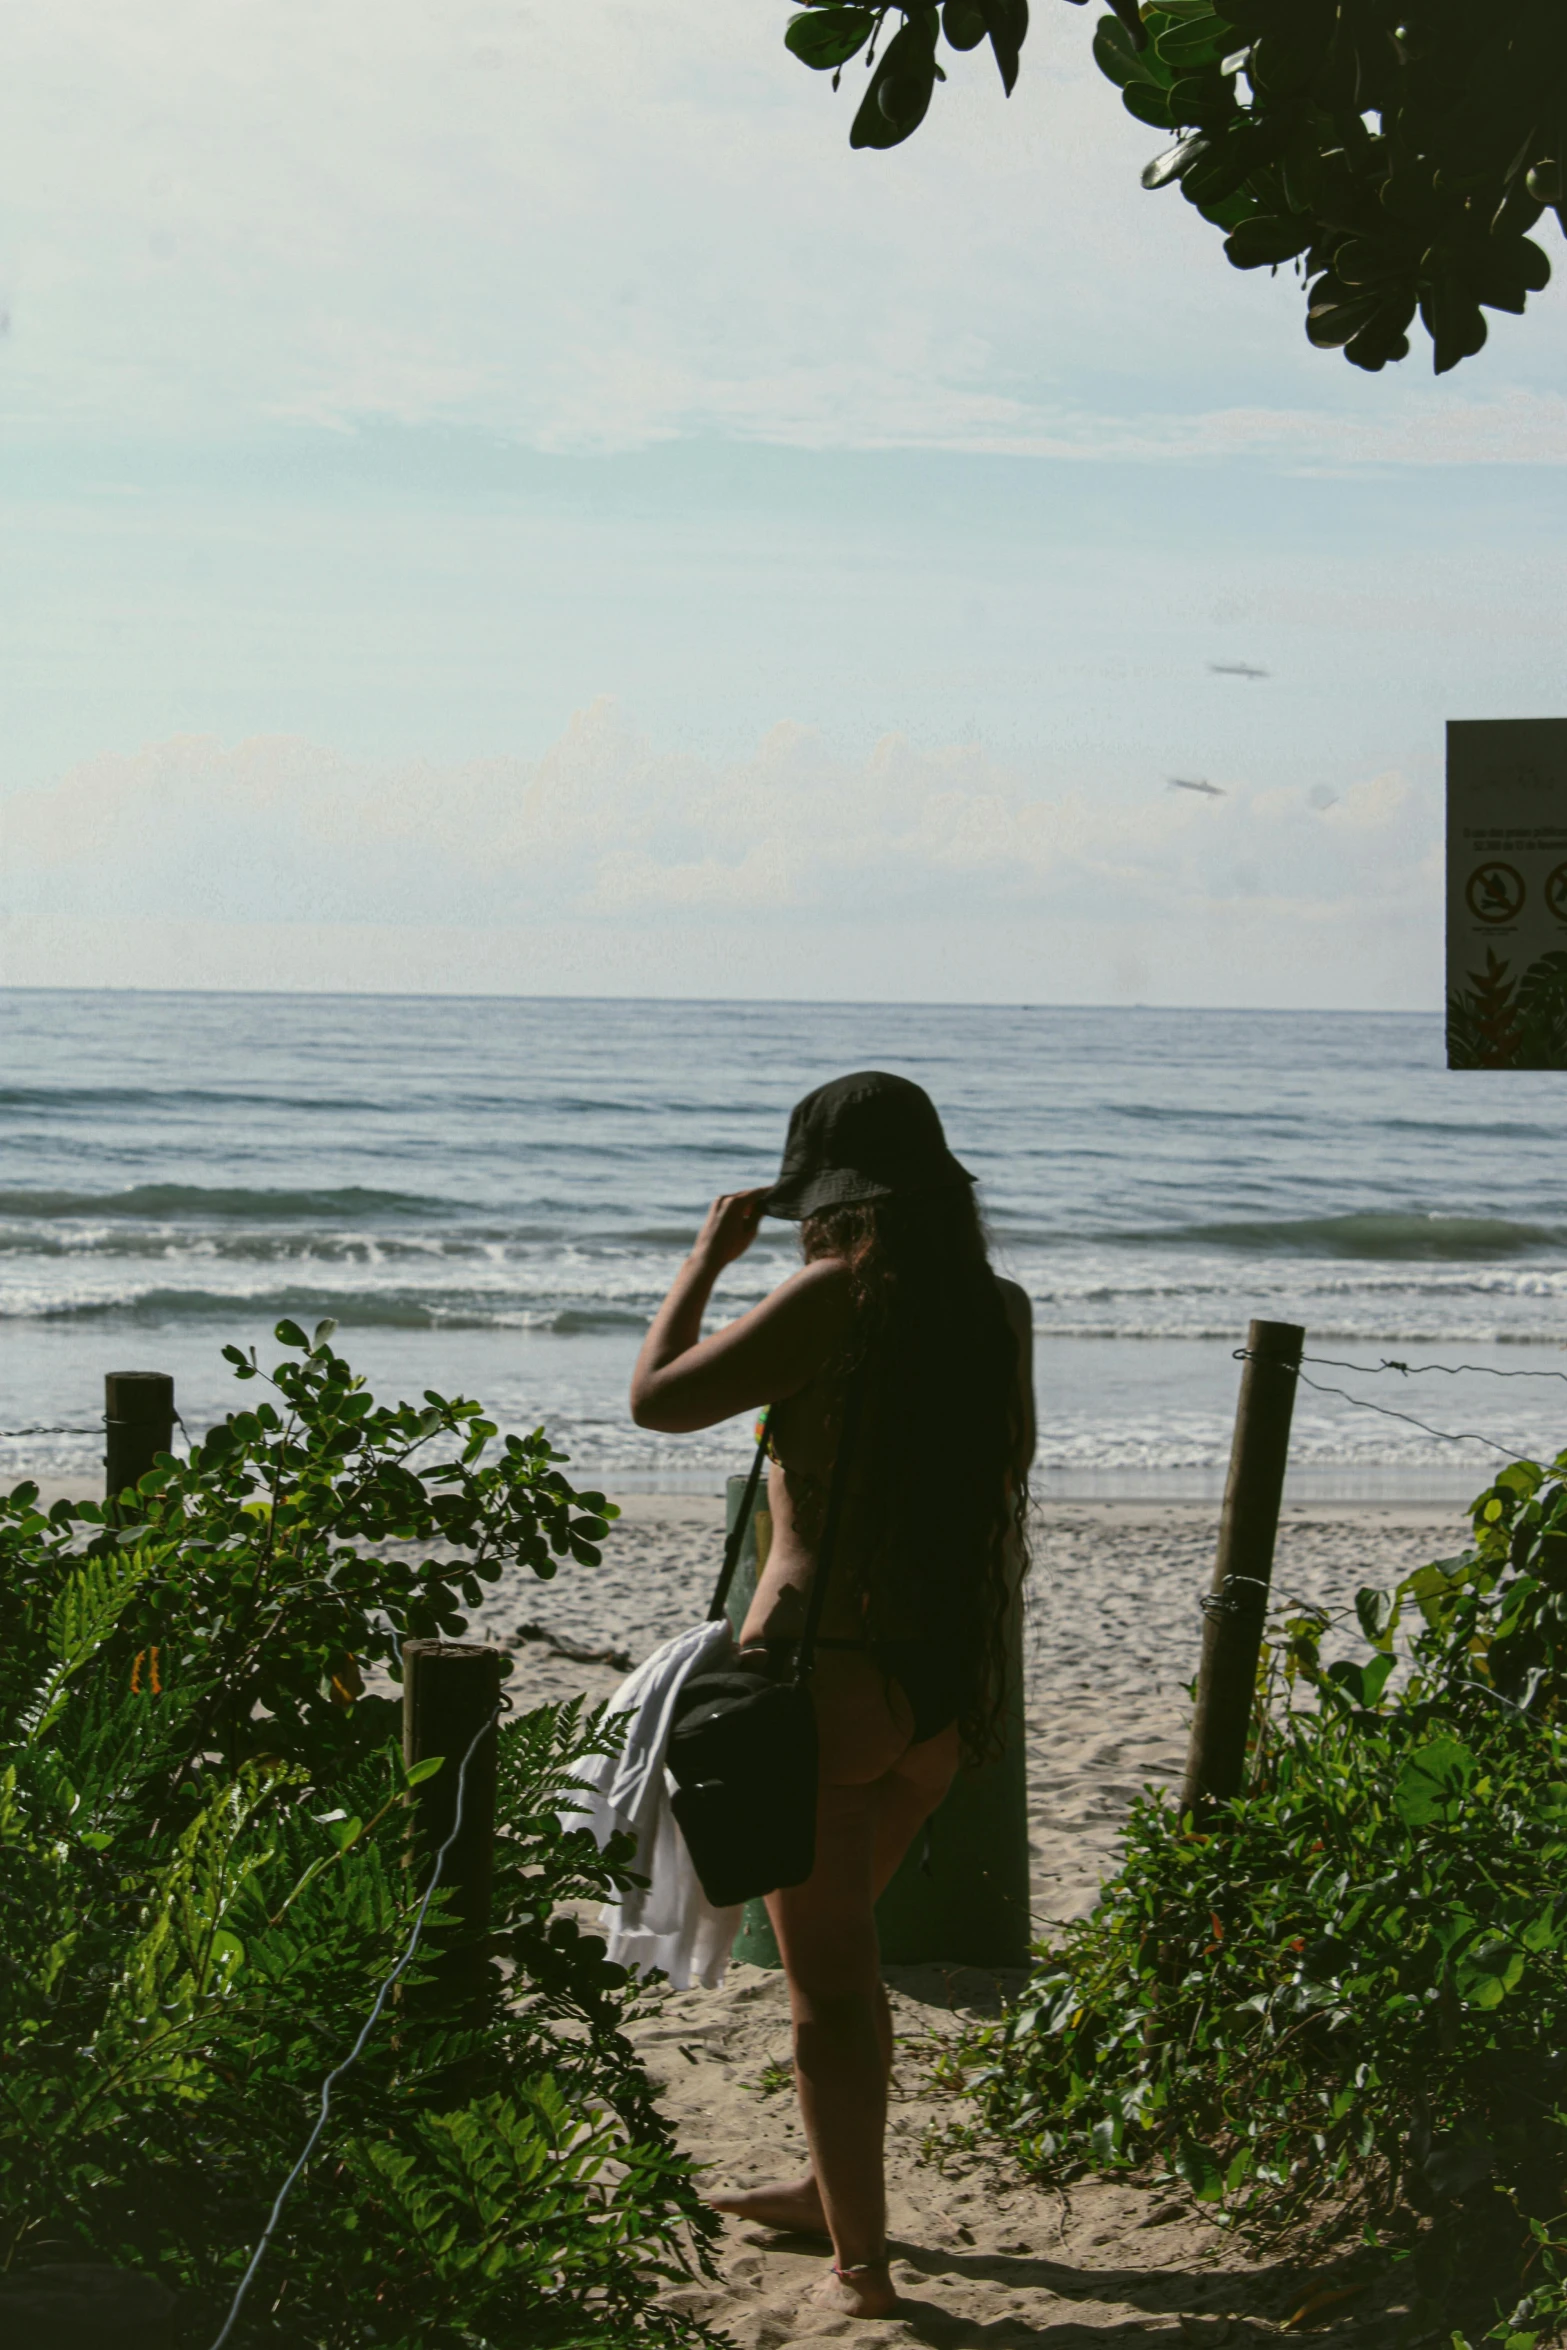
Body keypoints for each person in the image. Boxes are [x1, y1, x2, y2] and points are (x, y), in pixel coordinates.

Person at [630, 1070, 1035, 2318]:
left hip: (828, 1688)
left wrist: (703, 1259)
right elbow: (1001, 1478)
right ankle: (824, 2186)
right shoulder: (993, 1309)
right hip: (934, 1698)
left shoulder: (829, 1297)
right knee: (844, 1954)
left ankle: (862, 2266)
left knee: (832, 1997)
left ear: (832, 1202)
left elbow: (657, 1400)